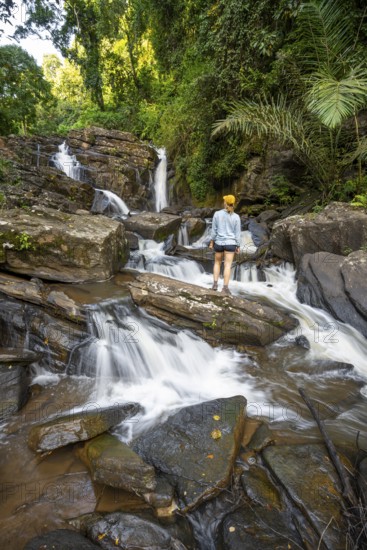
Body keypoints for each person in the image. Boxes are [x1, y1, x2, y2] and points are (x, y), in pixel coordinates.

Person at [208, 195, 241, 295]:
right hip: (231, 244)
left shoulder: (217, 214)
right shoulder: (236, 217)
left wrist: (212, 241)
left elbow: (214, 231)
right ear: (233, 204)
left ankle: (214, 285)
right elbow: (237, 233)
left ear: (225, 203)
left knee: (217, 263)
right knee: (227, 265)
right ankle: (225, 288)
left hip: (219, 243)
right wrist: (238, 245)